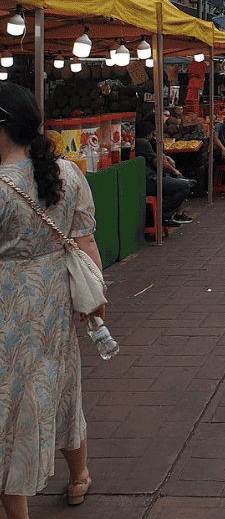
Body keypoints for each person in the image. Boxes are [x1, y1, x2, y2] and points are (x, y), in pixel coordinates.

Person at [0, 84, 102, 515]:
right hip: (56, 296)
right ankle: (79, 475)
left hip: (8, 302)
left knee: (12, 401)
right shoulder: (68, 173)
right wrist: (93, 303)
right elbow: (85, 243)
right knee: (60, 386)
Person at [135, 121, 195, 225]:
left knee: (182, 182)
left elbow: (156, 156)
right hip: (151, 180)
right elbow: (157, 161)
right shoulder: (142, 142)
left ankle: (173, 215)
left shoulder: (145, 142)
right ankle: (164, 215)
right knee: (185, 185)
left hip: (153, 177)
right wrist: (174, 171)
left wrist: (166, 158)